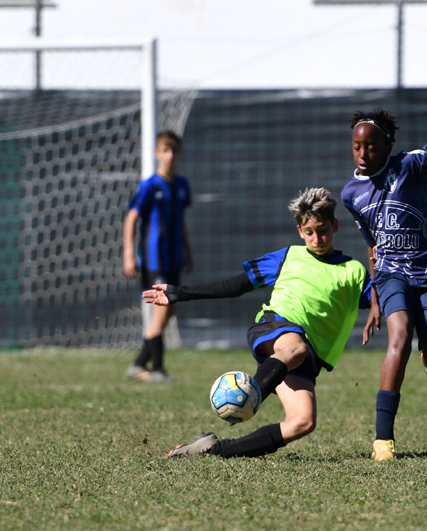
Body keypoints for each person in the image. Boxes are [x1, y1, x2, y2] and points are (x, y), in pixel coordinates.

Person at [145, 187, 375, 459]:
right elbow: (235, 286)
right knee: (296, 348)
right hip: (275, 328)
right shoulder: (289, 256)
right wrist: (180, 293)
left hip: (303, 357)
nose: (316, 238)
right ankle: (248, 396)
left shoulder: (354, 271)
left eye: (322, 230)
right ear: (300, 231)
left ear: (334, 226)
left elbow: (383, 301)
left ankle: (214, 449)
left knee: (303, 422)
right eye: (309, 232)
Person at [340, 94, 427, 461]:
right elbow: (372, 247)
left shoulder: (409, 164)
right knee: (399, 336)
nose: (363, 154)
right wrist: (374, 297)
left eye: (371, 146)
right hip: (391, 275)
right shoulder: (351, 193)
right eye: (357, 146)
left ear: (388, 146)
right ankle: (383, 439)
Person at [123, 130, 193, 383]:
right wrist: (129, 253)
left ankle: (139, 362)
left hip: (173, 259)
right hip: (154, 262)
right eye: (165, 150)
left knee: (170, 311)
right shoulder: (150, 186)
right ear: (157, 153)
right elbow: (131, 218)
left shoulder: (182, 185)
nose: (170, 155)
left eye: (173, 150)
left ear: (179, 153)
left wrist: (187, 251)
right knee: (161, 311)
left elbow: (180, 222)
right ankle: (158, 369)